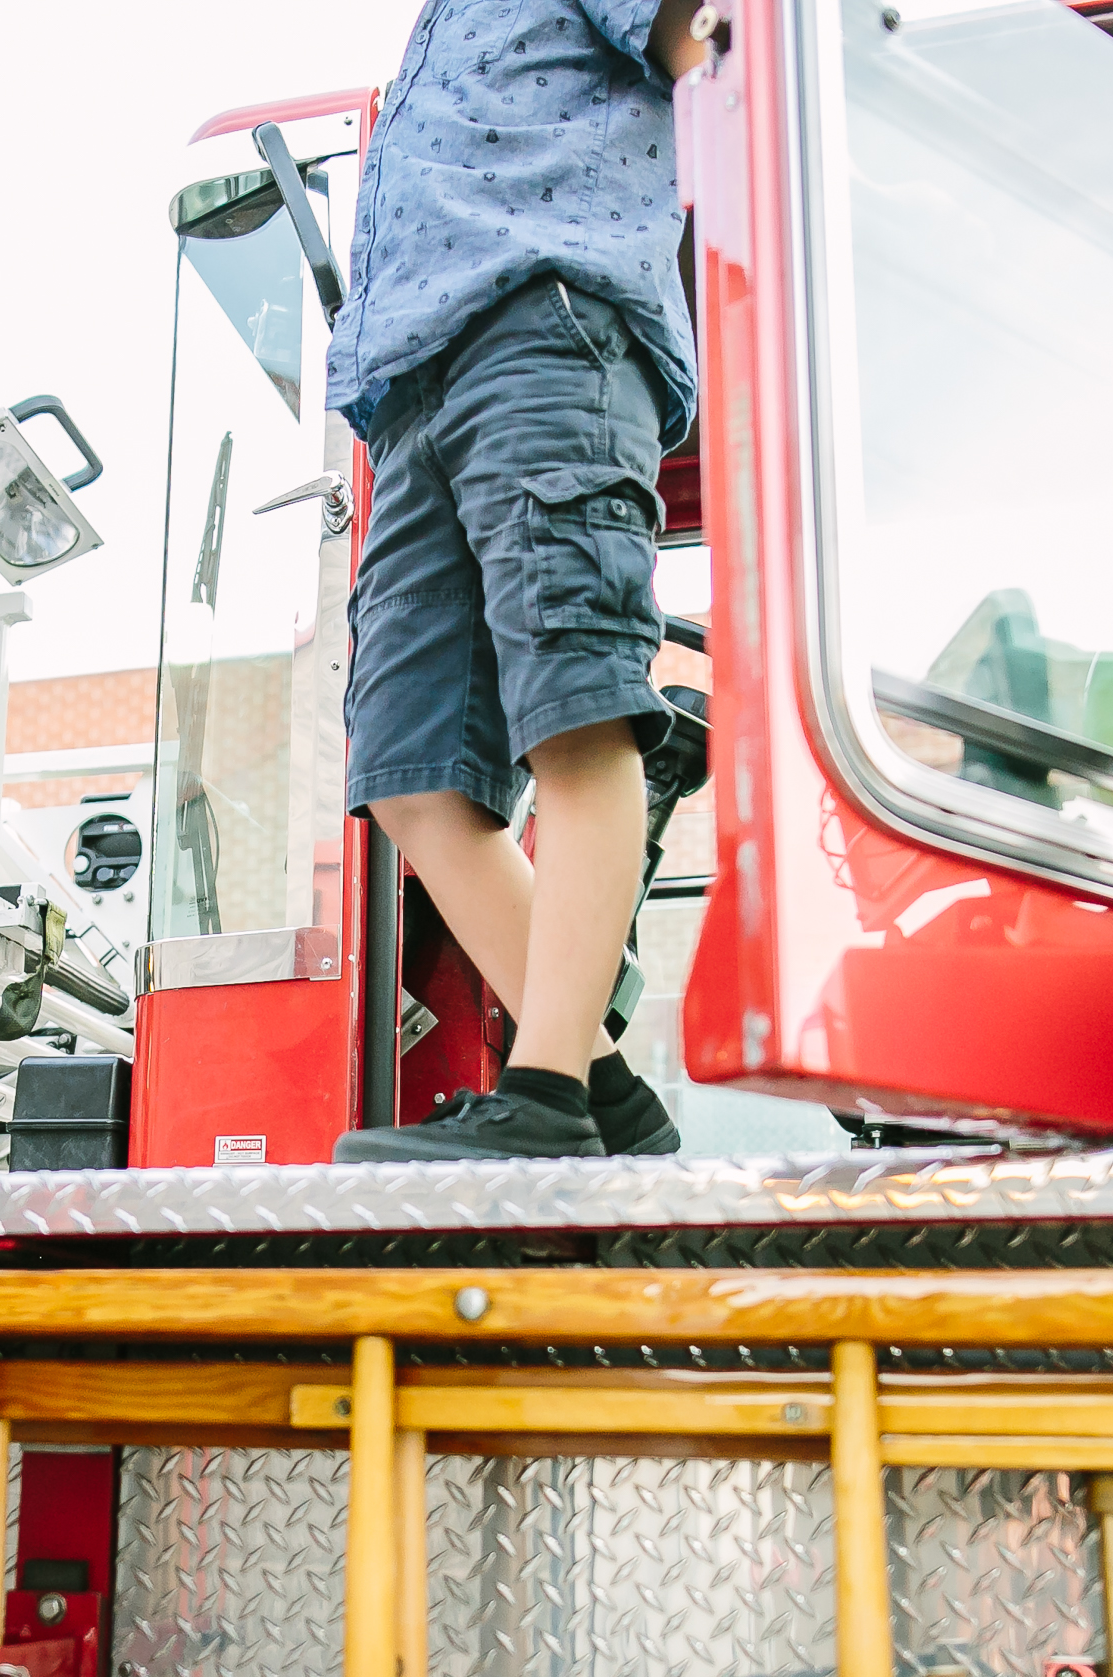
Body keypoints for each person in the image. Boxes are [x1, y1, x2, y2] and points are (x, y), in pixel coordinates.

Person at [327, 0, 708, 1164]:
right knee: (408, 773)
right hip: (411, 390)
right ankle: (603, 1095)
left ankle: (541, 1097)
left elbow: (716, 51)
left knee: (577, 708)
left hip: (548, 322)